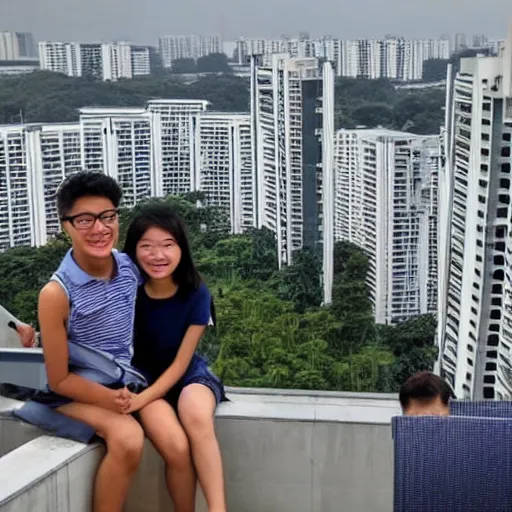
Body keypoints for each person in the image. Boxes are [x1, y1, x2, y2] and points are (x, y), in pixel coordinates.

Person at [14, 172, 147, 512]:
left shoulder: (128, 267)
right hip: (65, 393)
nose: (100, 229)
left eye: (108, 217)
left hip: (116, 379)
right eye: (85, 220)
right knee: (129, 438)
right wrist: (111, 399)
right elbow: (58, 379)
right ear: (66, 226)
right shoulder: (56, 293)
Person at [123, 203, 227, 512]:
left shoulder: (196, 292)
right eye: (147, 247)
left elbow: (182, 363)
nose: (158, 255)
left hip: (186, 375)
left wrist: (140, 402)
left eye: (168, 245)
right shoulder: (126, 289)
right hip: (141, 381)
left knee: (196, 414)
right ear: (133, 250)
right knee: (177, 448)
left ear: (181, 248)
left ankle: (218, 509)